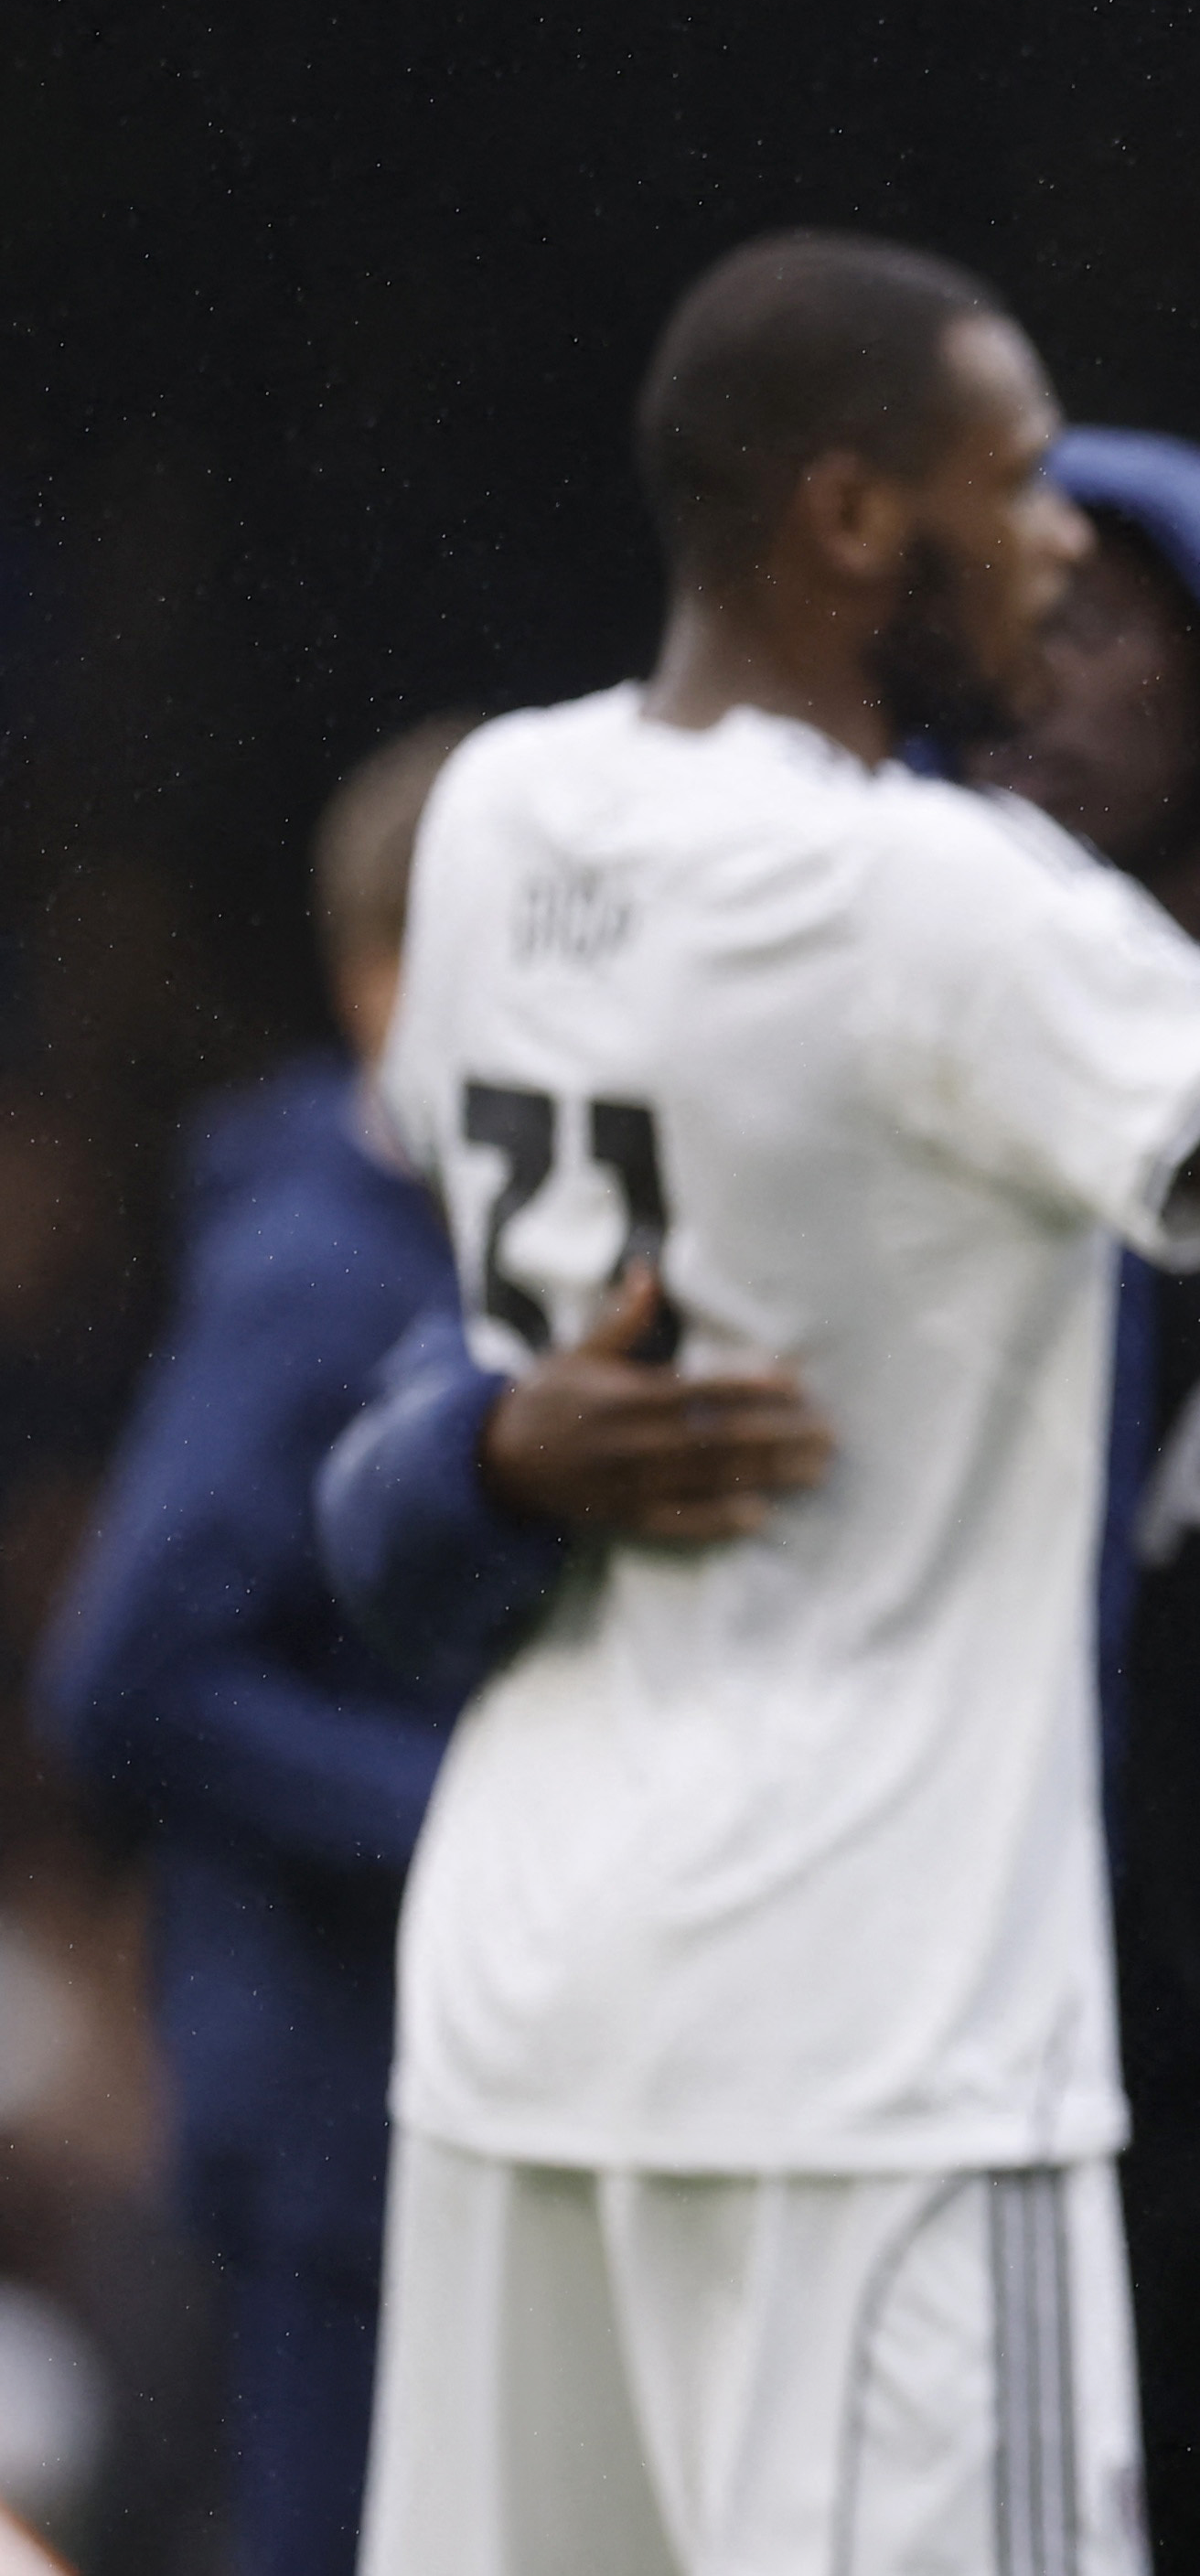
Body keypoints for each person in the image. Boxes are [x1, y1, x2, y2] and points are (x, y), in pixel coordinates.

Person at [314, 427, 1200, 2573]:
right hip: (922, 2078)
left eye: (1106, 614)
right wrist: (484, 1453)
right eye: (1016, 597)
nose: (1037, 660)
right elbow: (375, 1529)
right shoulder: (805, 1007)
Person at [32, 721, 492, 2576]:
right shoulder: (315, 1261)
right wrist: (462, 1809)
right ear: (386, 985)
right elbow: (118, 1675)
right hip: (324, 2104)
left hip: (439, 2066)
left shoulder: (491, 1236)